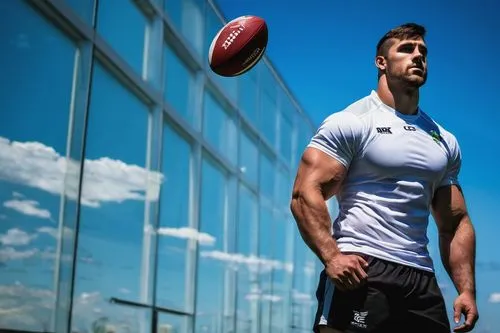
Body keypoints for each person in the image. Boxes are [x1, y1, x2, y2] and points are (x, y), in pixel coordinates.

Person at [290, 23, 479, 333]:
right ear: (381, 62)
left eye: (423, 52)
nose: (418, 56)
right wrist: (332, 257)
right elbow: (304, 193)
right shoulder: (351, 122)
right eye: (406, 49)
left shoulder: (444, 140)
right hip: (362, 268)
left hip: (420, 278)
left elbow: (455, 222)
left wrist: (467, 290)